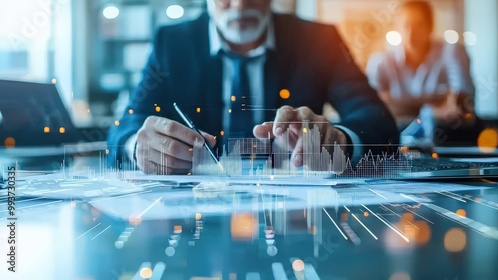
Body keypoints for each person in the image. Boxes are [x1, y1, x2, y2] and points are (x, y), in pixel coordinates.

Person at [107, 0, 399, 174]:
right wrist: (138, 146)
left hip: (295, 215)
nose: (240, 3)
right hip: (198, 216)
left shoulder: (319, 40)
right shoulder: (172, 43)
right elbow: (125, 127)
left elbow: (379, 123)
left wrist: (341, 141)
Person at [366, 0, 476, 131]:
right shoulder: (381, 61)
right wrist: (438, 104)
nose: (411, 33)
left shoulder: (452, 53)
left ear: (430, 26)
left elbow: (462, 107)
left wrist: (396, 105)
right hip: (394, 138)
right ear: (397, 28)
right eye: (406, 25)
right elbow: (370, 108)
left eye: (418, 25)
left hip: (445, 136)